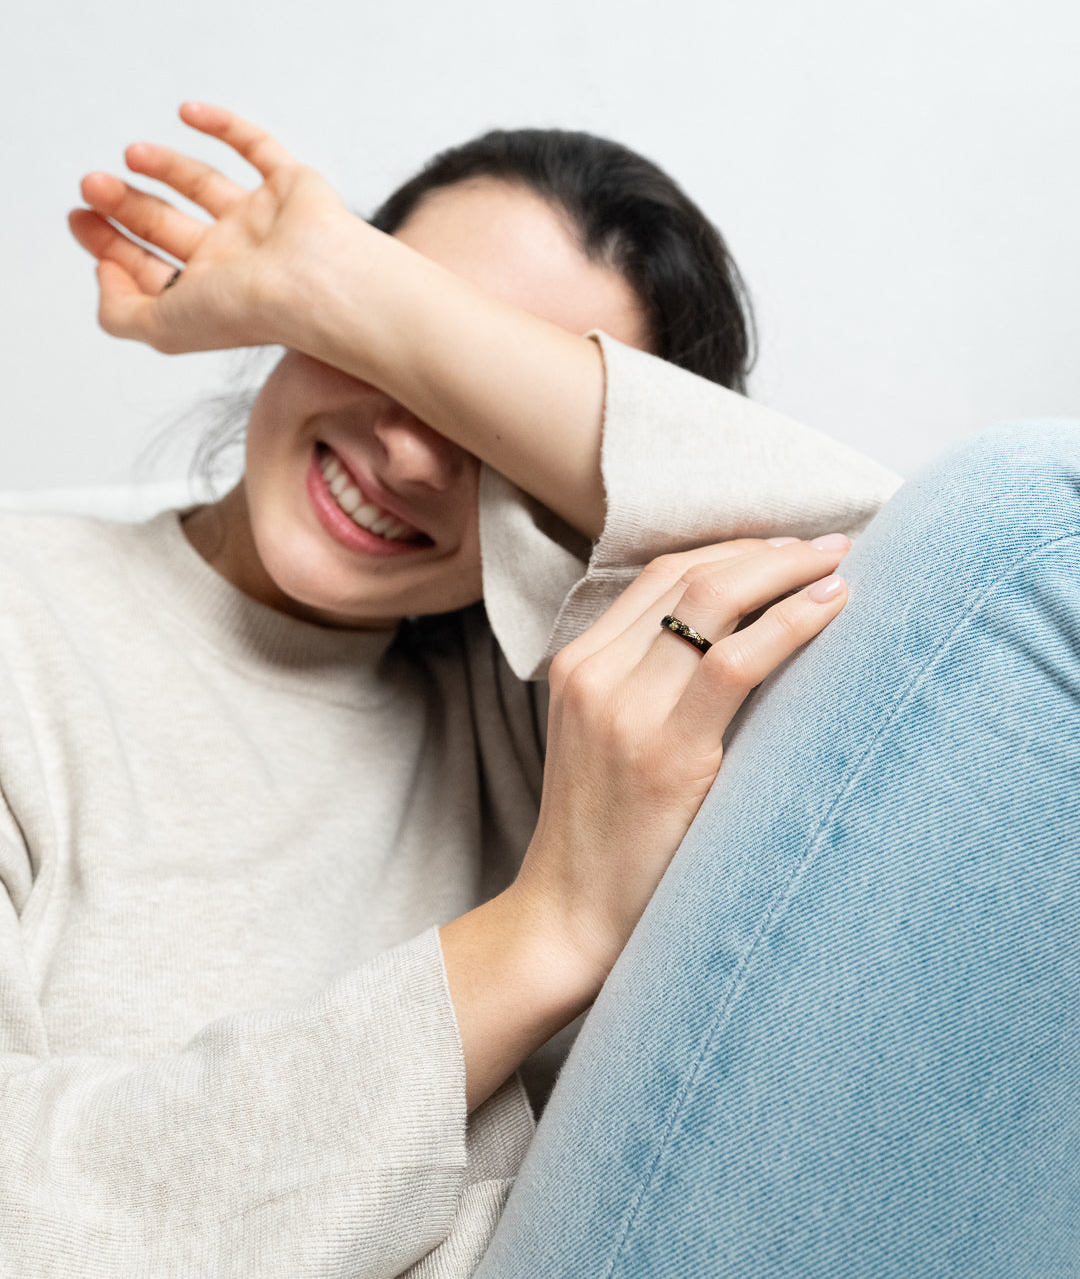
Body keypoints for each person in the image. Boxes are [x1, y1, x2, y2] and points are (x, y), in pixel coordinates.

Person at [1, 103, 1069, 1278]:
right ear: (288, 314)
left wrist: (377, 305)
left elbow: (975, 604)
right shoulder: (29, 621)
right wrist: (547, 926)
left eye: (470, 396)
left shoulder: (578, 687)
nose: (411, 453)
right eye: (367, 336)